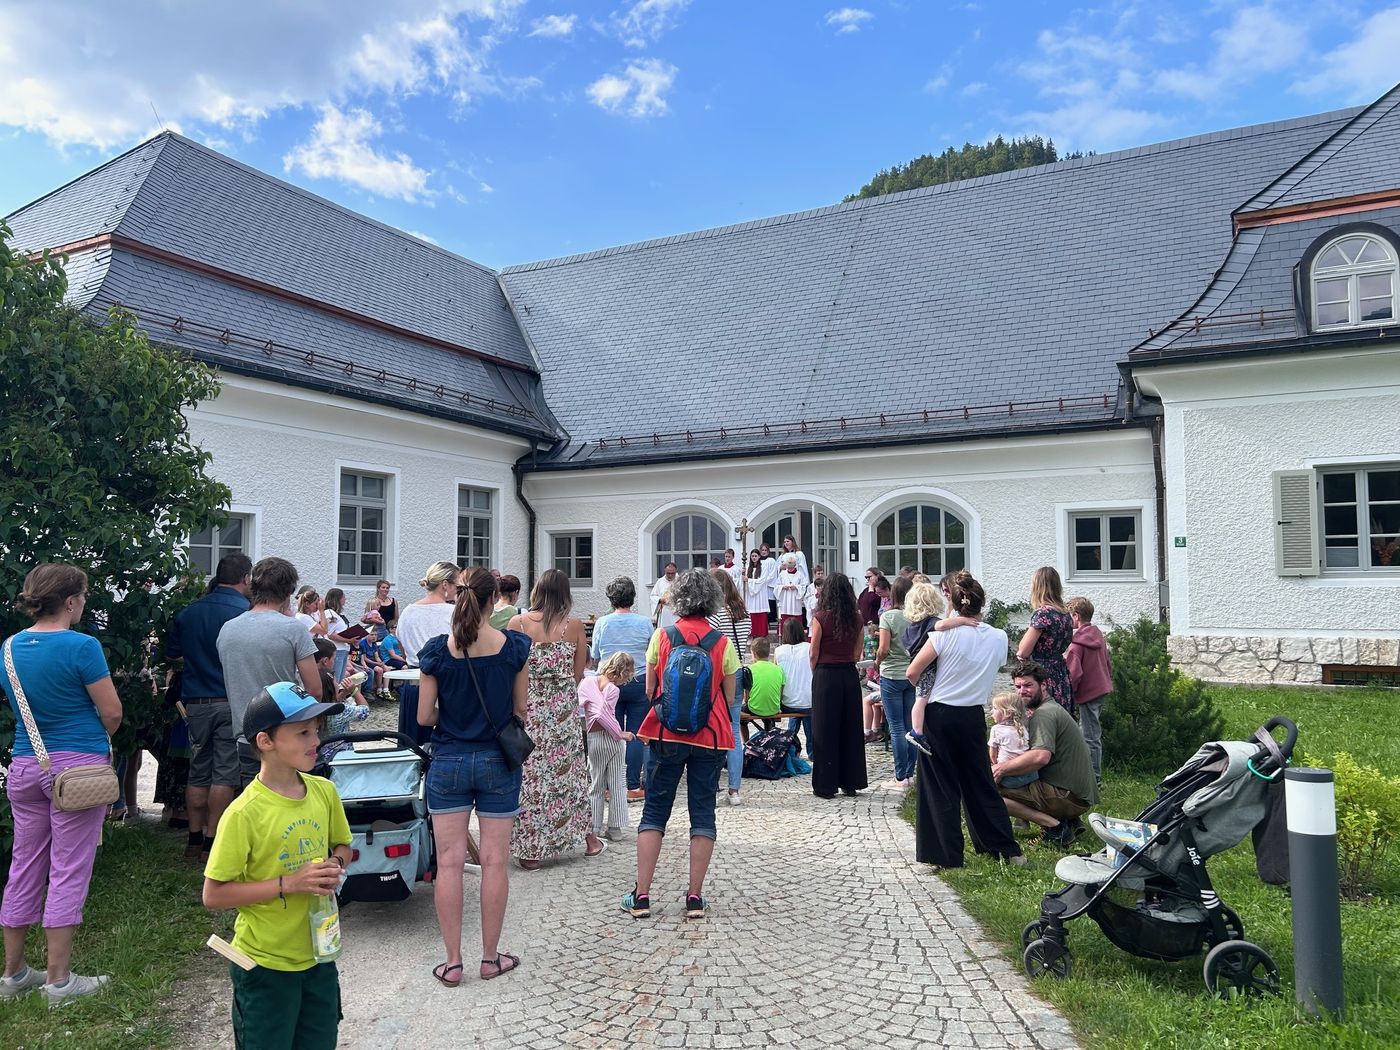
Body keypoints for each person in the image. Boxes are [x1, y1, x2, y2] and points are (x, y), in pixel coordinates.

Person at [202, 682, 350, 1048]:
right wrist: (289, 884)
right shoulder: (244, 813)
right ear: (265, 741)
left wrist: (334, 863)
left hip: (320, 955)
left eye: (316, 730)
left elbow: (343, 844)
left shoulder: (324, 791)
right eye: (302, 732)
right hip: (264, 965)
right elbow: (214, 895)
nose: (315, 740)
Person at [0, 565, 122, 1006]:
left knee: (24, 865)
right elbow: (111, 712)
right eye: (83, 596)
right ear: (70, 601)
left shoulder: (9, 647)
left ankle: (13, 974)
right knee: (68, 868)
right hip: (77, 772)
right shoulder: (82, 646)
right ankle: (59, 981)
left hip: (25, 764)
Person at [415, 568, 531, 986]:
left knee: (449, 863)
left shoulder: (437, 651)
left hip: (449, 760)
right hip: (497, 760)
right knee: (495, 861)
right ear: (492, 599)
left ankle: (452, 962)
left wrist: (454, 717)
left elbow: (424, 716)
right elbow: (520, 709)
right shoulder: (513, 647)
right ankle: (489, 958)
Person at [621, 569, 736, 921]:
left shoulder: (663, 636)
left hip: (666, 734)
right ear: (712, 600)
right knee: (702, 813)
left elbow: (650, 690)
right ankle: (695, 897)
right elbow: (730, 697)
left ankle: (641, 896)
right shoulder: (722, 643)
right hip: (709, 736)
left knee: (655, 812)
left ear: (678, 599)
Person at [905, 570, 1023, 868]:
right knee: (979, 781)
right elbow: (996, 664)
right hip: (972, 714)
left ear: (953, 602)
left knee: (939, 784)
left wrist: (924, 688)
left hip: (940, 713)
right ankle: (1003, 848)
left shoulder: (942, 635)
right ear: (982, 602)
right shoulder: (998, 637)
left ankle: (944, 855)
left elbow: (912, 671)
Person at [508, 569, 604, 868]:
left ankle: (531, 850)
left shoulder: (517, 623)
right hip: (562, 712)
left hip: (528, 708)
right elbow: (578, 672)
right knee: (569, 777)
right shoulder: (573, 626)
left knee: (531, 779)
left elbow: (510, 667)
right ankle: (587, 839)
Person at [166, 553, 252, 859]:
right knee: (225, 773)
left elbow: (172, 654)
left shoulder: (189, 612)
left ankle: (193, 837)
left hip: (196, 700)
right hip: (229, 698)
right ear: (245, 578)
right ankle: (212, 841)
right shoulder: (246, 613)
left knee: (198, 769)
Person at [217, 557, 323, 790]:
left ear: (252, 585)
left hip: (246, 735)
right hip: (286, 734)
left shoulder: (228, 629)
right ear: (289, 591)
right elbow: (315, 690)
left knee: (255, 799)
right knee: (290, 798)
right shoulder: (293, 628)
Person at [994, 660, 1099, 846]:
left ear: (1043, 685)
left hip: (1067, 796)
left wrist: (1000, 768)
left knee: (986, 790)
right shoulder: (1050, 708)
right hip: (1075, 793)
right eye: (1018, 687)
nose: (1022, 691)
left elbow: (1040, 757)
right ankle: (1069, 821)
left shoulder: (1044, 714)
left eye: (1028, 685)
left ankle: (1055, 827)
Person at [590, 576, 655, 804]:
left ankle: (610, 786)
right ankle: (632, 786)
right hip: (637, 679)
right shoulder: (644, 623)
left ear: (611, 598)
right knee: (635, 733)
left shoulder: (603, 623)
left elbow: (595, 654)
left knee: (611, 734)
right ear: (633, 597)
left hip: (609, 681)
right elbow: (651, 655)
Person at [808, 571, 867, 799]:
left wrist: (816, 671)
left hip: (826, 673)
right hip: (848, 674)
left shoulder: (820, 617)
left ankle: (825, 785)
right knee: (850, 727)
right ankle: (851, 782)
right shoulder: (857, 619)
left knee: (825, 729)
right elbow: (857, 652)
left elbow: (814, 651)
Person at [395, 561, 461, 746]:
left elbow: (402, 646)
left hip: (414, 681)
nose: (458, 590)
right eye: (457, 585)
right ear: (445, 584)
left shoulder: (408, 612)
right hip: (445, 683)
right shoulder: (453, 612)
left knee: (412, 748)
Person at [578, 652, 637, 843]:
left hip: (594, 738)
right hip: (613, 740)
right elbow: (603, 714)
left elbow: (586, 709)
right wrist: (619, 734)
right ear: (624, 674)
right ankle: (615, 829)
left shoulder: (588, 683)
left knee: (596, 784)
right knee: (617, 783)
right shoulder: (613, 689)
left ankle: (594, 828)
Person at [706, 568, 750, 806]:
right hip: (739, 670)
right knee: (734, 731)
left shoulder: (716, 615)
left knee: (713, 728)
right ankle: (734, 789)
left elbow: (710, 642)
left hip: (719, 673)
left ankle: (711, 784)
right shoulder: (744, 613)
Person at [1016, 566, 1074, 715]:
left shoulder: (1043, 614)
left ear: (1037, 587)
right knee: (1059, 718)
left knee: (1042, 718)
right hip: (1060, 671)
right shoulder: (1065, 614)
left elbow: (1023, 651)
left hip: (1041, 673)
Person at [1066, 596, 1112, 782]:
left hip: (1088, 693)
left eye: (1069, 616)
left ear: (1076, 616)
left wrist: (1069, 693)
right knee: (1089, 732)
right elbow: (1107, 663)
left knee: (1090, 736)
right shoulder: (1098, 635)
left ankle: (1094, 779)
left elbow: (1074, 674)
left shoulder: (1076, 645)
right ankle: (1087, 773)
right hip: (1101, 689)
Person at [876, 575, 916, 787]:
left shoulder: (888, 616)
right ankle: (910, 772)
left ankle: (900, 776)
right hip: (912, 673)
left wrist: (877, 661)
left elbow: (883, 648)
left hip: (891, 674)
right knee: (911, 725)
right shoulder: (916, 616)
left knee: (897, 726)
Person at [312, 638, 370, 766]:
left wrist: (342, 694)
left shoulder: (312, 705)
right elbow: (364, 711)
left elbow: (327, 701)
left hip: (320, 757)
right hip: (341, 758)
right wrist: (355, 691)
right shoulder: (341, 710)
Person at [774, 616, 813, 756]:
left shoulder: (779, 651)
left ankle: (790, 748)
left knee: (794, 710)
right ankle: (812, 752)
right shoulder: (809, 648)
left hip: (787, 702)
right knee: (808, 718)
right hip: (808, 701)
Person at [987, 692, 1038, 789]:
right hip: (1030, 774)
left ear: (1008, 713)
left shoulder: (996, 729)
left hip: (1008, 776)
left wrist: (996, 766)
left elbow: (993, 754)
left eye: (995, 708)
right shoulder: (1023, 727)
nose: (991, 711)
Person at [743, 635, 784, 738]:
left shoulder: (750, 669)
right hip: (774, 708)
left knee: (742, 720)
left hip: (754, 708)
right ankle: (768, 733)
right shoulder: (778, 669)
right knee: (767, 715)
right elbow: (780, 693)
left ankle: (746, 742)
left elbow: (746, 697)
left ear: (754, 654)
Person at [321, 588, 355, 683]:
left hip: (342, 649)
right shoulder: (330, 614)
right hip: (337, 649)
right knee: (335, 679)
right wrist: (349, 640)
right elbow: (330, 634)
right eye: (343, 597)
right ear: (337, 599)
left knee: (340, 679)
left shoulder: (336, 614)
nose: (345, 599)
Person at [772, 553, 808, 637]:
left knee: (796, 617)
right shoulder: (782, 574)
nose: (790, 569)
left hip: (795, 600)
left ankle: (797, 635)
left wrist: (796, 587)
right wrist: (782, 587)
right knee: (785, 617)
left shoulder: (800, 575)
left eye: (792, 567)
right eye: (788, 567)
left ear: (795, 566)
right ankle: (785, 636)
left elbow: (803, 586)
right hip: (785, 599)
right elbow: (776, 586)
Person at [743, 550, 770, 639]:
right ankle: (752, 634)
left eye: (755, 556)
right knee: (751, 613)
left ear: (759, 557)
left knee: (760, 613)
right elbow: (743, 581)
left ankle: (761, 634)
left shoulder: (763, 567)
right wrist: (742, 575)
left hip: (760, 594)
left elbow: (762, 580)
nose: (754, 558)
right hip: (750, 596)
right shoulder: (747, 567)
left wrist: (749, 580)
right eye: (752, 556)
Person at [650, 562, 679, 630]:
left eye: (672, 573)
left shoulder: (680, 581)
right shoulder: (660, 582)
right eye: (668, 573)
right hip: (664, 612)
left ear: (676, 571)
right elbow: (653, 596)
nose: (670, 575)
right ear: (665, 571)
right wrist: (660, 600)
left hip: (676, 612)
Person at [758, 543, 779, 629]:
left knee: (769, 604)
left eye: (765, 550)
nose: (764, 552)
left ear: (768, 551)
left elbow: (772, 574)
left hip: (768, 587)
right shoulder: (758, 561)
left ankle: (770, 621)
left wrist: (764, 581)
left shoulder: (771, 560)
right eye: (762, 550)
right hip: (760, 587)